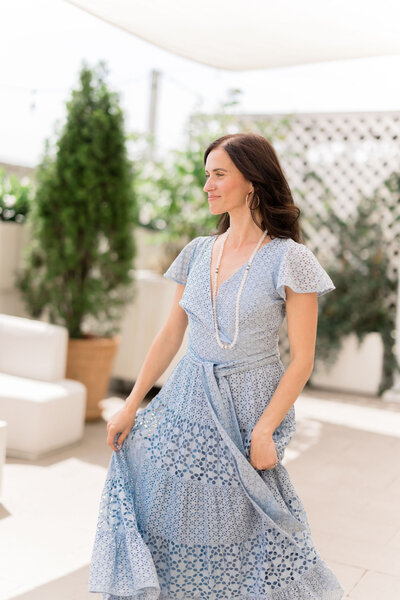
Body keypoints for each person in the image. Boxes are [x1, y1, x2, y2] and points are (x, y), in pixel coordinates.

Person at [88, 132, 344, 599]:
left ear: (251, 181)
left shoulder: (290, 259)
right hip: (186, 397)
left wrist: (265, 430)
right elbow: (170, 336)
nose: (208, 185)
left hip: (248, 409)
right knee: (167, 513)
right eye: (207, 175)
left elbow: (302, 360)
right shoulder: (199, 252)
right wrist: (130, 404)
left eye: (219, 174)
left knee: (249, 528)